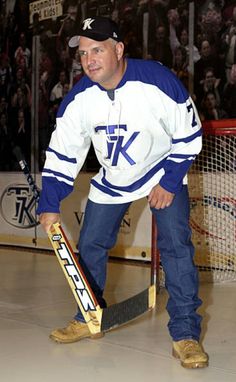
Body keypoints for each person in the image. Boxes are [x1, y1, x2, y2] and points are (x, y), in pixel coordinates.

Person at [37, 16, 208, 369]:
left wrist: (170, 181)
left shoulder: (158, 80)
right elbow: (63, 152)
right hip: (114, 177)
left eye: (97, 50)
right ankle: (88, 316)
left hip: (163, 170)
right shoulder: (80, 97)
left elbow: (189, 135)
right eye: (83, 53)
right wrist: (50, 201)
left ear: (118, 49)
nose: (89, 60)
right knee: (91, 245)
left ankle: (185, 334)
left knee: (176, 247)